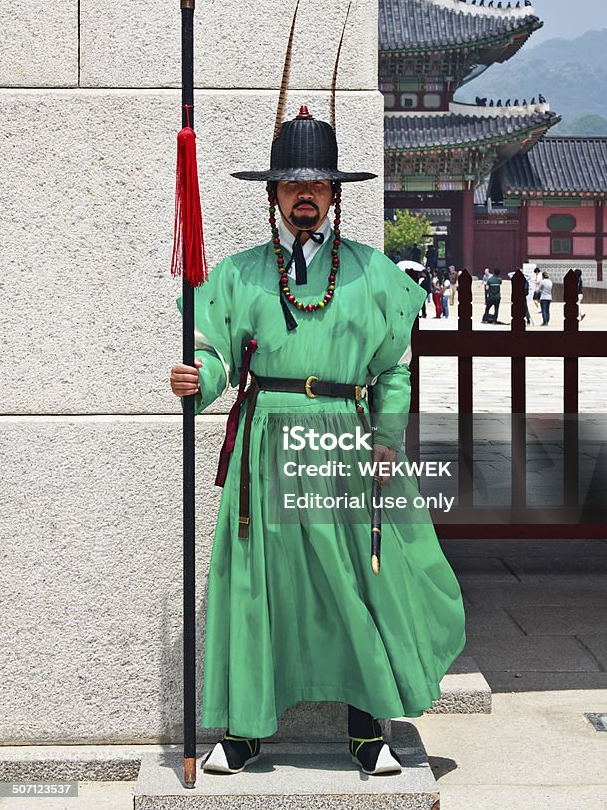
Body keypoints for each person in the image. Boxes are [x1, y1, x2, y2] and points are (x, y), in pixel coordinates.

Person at [170, 93, 466, 777]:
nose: (304, 195)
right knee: (256, 583)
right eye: (292, 184)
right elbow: (215, 352)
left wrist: (386, 438)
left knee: (355, 581)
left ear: (334, 195)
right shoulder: (239, 274)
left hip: (342, 439)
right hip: (264, 438)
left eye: (317, 185)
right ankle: (244, 731)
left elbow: (393, 368)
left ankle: (366, 729)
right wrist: (200, 381)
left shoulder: (374, 273)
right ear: (272, 193)